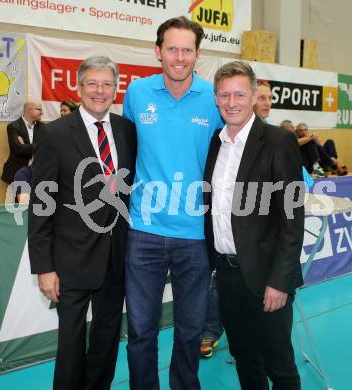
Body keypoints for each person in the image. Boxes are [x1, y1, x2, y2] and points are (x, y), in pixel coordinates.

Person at [123, 16, 223, 390]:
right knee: (140, 331)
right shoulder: (137, 94)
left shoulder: (213, 100)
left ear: (198, 54)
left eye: (187, 50)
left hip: (195, 235)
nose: (179, 57)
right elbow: (127, 152)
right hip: (143, 231)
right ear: (157, 52)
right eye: (172, 49)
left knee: (190, 331)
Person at [28, 56, 136, 390]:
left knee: (106, 339)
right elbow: (41, 205)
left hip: (115, 258)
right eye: (93, 83)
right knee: (72, 343)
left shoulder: (126, 130)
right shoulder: (55, 134)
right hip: (70, 260)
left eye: (107, 84)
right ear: (79, 87)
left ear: (116, 90)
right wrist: (44, 267)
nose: (100, 91)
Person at [204, 61, 304, 389]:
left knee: (279, 365)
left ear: (253, 96)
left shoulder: (277, 141)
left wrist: (280, 282)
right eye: (224, 95)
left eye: (239, 94)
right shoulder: (215, 144)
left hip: (267, 277)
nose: (231, 102)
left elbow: (292, 220)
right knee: (246, 359)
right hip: (229, 276)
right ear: (216, 99)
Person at [1, 99, 44, 185]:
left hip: (37, 173)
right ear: (29, 109)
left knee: (34, 198)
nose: (42, 112)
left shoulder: (44, 127)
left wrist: (26, 146)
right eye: (39, 109)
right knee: (20, 198)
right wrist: (38, 146)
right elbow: (18, 149)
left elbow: (46, 148)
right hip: (16, 172)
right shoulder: (13, 126)